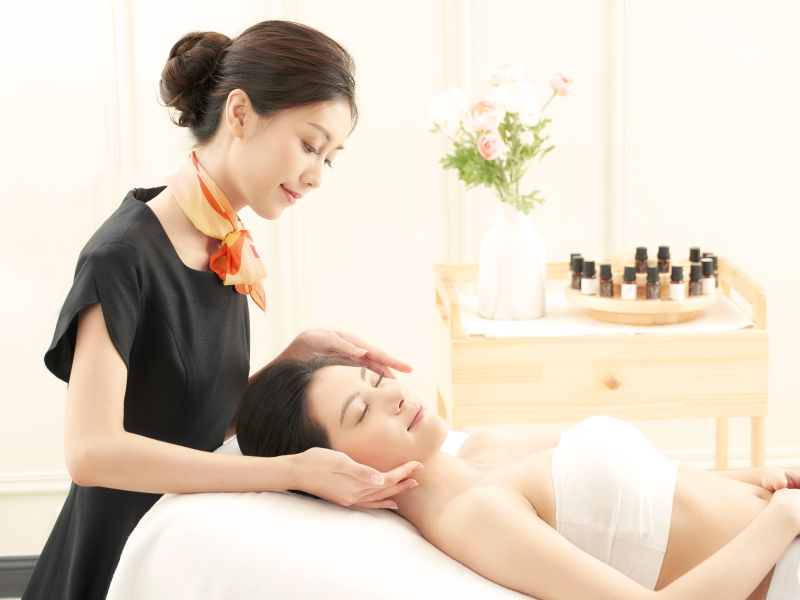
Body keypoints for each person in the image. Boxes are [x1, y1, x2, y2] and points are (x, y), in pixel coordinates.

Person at [23, 21, 422, 600]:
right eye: (310, 145)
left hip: (183, 549)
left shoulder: (222, 243)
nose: (316, 176)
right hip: (119, 555)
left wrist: (293, 358)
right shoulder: (122, 257)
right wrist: (291, 471)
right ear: (239, 113)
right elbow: (91, 454)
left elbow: (186, 424)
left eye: (330, 159)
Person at [236, 356, 800, 600]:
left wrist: (751, 479)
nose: (394, 396)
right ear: (336, 470)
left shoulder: (483, 447)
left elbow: (653, 498)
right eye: (361, 412)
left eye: (375, 381)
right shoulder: (475, 516)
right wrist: (779, 520)